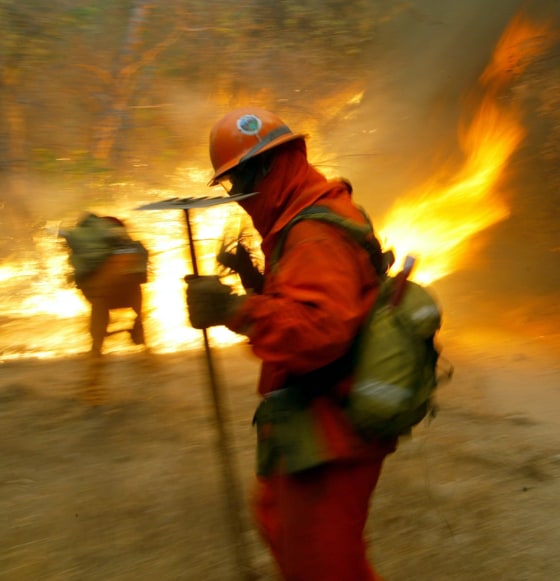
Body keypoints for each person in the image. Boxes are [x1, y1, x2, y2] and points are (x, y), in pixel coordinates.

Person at [186, 107, 397, 580]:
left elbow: (320, 331)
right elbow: (312, 301)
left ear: (266, 167)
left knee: (321, 564)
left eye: (237, 183)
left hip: (334, 422)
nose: (237, 198)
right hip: (311, 414)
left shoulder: (312, 232)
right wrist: (256, 281)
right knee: (280, 523)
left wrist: (234, 311)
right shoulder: (302, 211)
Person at [62, 214, 148, 357]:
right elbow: (139, 270)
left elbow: (79, 271)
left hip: (100, 294)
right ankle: (141, 335)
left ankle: (96, 348)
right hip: (128, 290)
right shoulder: (128, 244)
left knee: (99, 309)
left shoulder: (86, 246)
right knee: (135, 300)